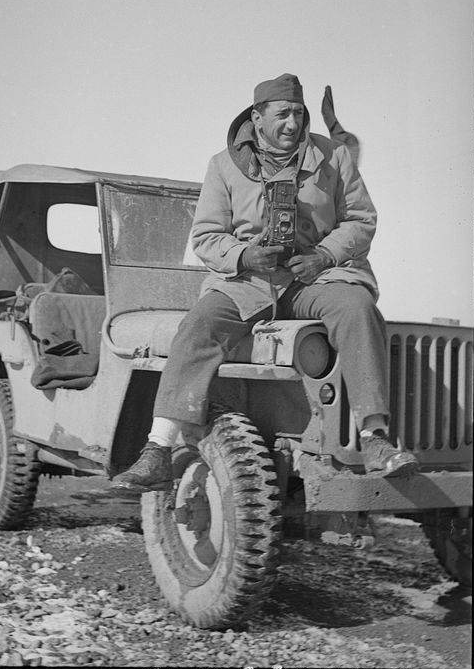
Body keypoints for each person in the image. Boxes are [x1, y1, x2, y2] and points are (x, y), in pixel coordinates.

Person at [111, 73, 419, 493]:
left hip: (316, 276)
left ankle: (375, 438)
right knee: (198, 325)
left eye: (298, 113)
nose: (292, 124)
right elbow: (205, 237)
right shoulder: (223, 165)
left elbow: (361, 219)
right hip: (248, 281)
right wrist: (243, 254)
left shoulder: (333, 157)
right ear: (257, 118)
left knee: (358, 309)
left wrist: (324, 256)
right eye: (282, 114)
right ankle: (158, 449)